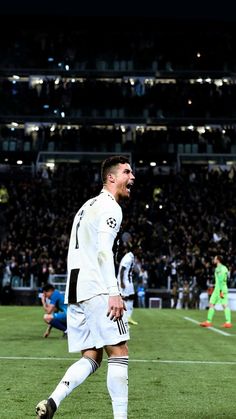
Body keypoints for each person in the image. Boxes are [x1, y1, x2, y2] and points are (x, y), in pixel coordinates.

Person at [35, 155, 135, 419]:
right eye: (127, 172)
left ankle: (52, 402)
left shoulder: (85, 206)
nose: (132, 177)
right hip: (97, 287)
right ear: (111, 177)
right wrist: (114, 292)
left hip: (76, 290)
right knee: (119, 350)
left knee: (92, 356)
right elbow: (104, 251)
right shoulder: (111, 207)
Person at [200, 255, 232, 328]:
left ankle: (228, 322)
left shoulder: (219, 269)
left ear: (218, 260)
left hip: (221, 289)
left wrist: (220, 290)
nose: (213, 259)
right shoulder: (223, 268)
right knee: (211, 304)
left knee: (224, 305)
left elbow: (221, 279)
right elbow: (227, 278)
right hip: (217, 289)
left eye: (214, 258)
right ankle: (208, 321)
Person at [117, 245, 138, 325]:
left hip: (129, 281)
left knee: (131, 297)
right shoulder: (128, 257)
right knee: (124, 298)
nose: (140, 250)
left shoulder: (131, 257)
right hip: (125, 281)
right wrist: (122, 282)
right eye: (138, 249)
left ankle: (128, 317)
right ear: (135, 249)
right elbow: (122, 269)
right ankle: (123, 320)